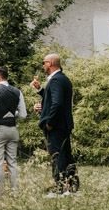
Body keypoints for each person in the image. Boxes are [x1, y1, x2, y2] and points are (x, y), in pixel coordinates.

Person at [31, 53, 78, 197]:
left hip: (56, 126)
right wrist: (40, 91)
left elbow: (57, 103)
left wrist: (49, 123)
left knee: (57, 156)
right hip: (64, 124)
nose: (43, 65)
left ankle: (58, 189)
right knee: (67, 156)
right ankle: (73, 188)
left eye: (44, 62)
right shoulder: (62, 78)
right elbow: (54, 100)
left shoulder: (56, 80)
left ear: (50, 63)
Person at [0, 66, 27, 199]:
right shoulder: (17, 91)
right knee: (12, 163)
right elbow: (23, 115)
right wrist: (10, 114)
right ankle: (15, 193)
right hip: (13, 130)